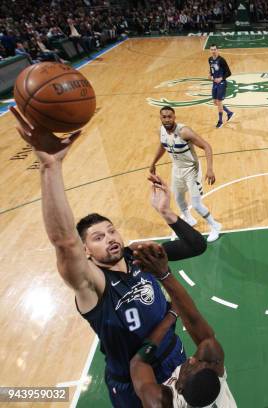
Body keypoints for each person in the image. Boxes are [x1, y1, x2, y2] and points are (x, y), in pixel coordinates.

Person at [10, 106, 207, 407]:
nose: (110, 239)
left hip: (176, 359)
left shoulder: (140, 257)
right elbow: (64, 242)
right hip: (136, 384)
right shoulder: (92, 283)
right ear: (86, 250)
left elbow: (196, 246)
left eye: (111, 231)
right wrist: (50, 168)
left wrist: (167, 213)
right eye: (98, 238)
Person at [130, 242, 237, 407]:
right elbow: (202, 333)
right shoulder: (213, 365)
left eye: (192, 367)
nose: (193, 360)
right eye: (202, 364)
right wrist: (165, 275)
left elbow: (137, 363)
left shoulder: (159, 401)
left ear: (179, 388)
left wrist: (171, 317)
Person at [150, 106, 222, 242]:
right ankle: (189, 219)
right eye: (164, 117)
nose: (167, 119)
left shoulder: (184, 132)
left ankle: (215, 225)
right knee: (178, 198)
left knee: (196, 203)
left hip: (191, 170)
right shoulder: (161, 131)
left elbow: (206, 146)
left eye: (169, 116)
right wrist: (153, 162)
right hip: (177, 169)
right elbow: (163, 145)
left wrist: (210, 168)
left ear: (174, 117)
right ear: (160, 118)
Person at [208, 44, 234, 129]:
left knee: (219, 102)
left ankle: (220, 121)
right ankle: (229, 112)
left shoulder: (222, 60)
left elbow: (229, 72)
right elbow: (211, 69)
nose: (213, 51)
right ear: (210, 50)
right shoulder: (210, 59)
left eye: (215, 49)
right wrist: (210, 75)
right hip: (214, 83)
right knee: (215, 102)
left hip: (222, 83)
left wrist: (221, 78)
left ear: (217, 50)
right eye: (212, 50)